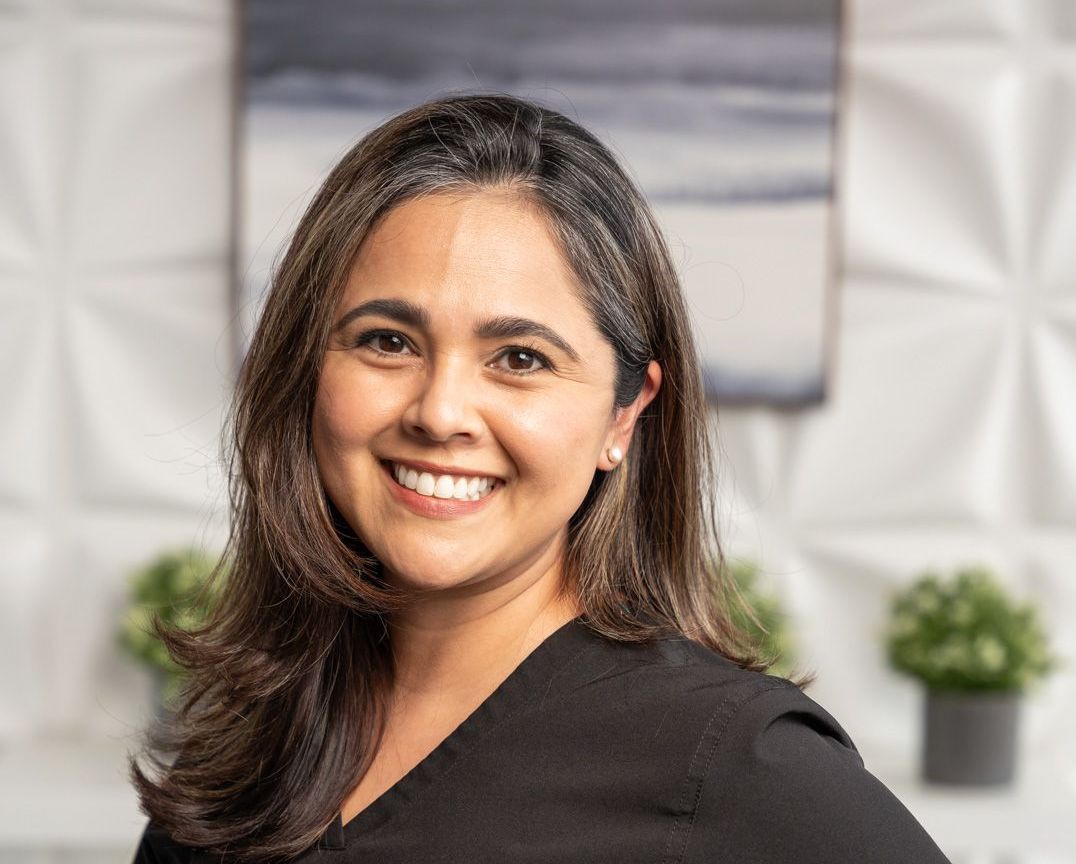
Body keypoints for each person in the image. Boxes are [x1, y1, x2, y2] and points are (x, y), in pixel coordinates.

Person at [128, 92, 952, 863]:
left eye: (520, 359)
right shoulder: (245, 746)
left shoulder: (735, 763)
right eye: (387, 341)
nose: (441, 411)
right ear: (307, 365)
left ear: (622, 415)